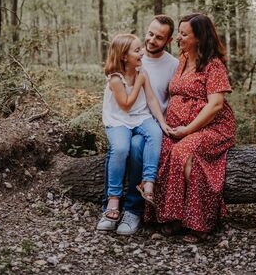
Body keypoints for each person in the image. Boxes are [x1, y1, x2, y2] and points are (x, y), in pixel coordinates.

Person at [146, 13, 236, 243]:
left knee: (183, 153)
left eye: (184, 34)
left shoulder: (213, 66)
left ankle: (201, 223)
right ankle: (173, 218)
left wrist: (187, 130)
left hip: (212, 128)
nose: (179, 37)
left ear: (199, 38)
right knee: (163, 151)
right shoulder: (184, 59)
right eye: (180, 32)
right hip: (180, 126)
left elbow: (215, 105)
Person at [97, 15, 178, 234]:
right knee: (122, 147)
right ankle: (112, 205)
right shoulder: (127, 71)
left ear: (168, 41)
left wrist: (164, 124)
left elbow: (154, 99)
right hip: (122, 121)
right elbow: (124, 104)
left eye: (158, 38)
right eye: (149, 35)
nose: (150, 42)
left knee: (139, 146)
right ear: (125, 56)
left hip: (145, 119)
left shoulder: (173, 65)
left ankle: (134, 208)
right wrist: (140, 82)